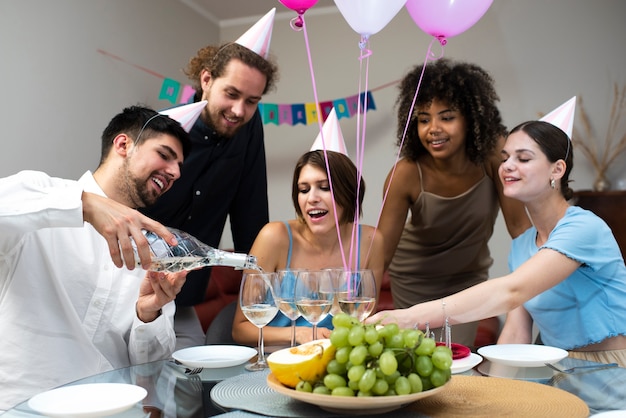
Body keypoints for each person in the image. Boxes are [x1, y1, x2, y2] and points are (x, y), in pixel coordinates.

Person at [369, 120, 626, 366]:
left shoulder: (584, 228)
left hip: (608, 370)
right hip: (554, 367)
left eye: (523, 158)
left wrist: (410, 316)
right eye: (505, 158)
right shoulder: (523, 245)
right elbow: (516, 333)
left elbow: (510, 291)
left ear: (557, 170)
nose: (507, 166)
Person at [0, 105, 193, 410]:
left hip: (113, 409)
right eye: (165, 154)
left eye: (179, 166)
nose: (176, 173)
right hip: (24, 407)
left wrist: (148, 313)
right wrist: (83, 205)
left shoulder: (153, 250)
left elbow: (152, 365)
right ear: (123, 144)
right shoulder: (42, 197)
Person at [141, 9, 279, 349]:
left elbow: (251, 209)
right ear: (206, 80)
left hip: (186, 293)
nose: (239, 111)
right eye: (231, 94)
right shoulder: (164, 130)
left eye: (252, 101)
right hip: (133, 285)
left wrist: (260, 289)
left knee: (196, 383)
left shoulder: (249, 127)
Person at [378, 59, 532, 346]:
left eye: (446, 117)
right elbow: (381, 253)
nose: (433, 128)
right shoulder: (406, 174)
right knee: (413, 361)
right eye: (424, 119)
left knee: (454, 361)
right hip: (414, 281)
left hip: (467, 282)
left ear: (471, 119)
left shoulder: (494, 156)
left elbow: (520, 228)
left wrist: (536, 279)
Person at [232, 149, 385, 346]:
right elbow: (240, 329)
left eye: (324, 187)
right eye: (304, 190)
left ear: (348, 192)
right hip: (276, 361)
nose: (311, 198)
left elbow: (365, 326)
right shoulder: (274, 237)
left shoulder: (371, 241)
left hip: (334, 364)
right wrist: (298, 334)